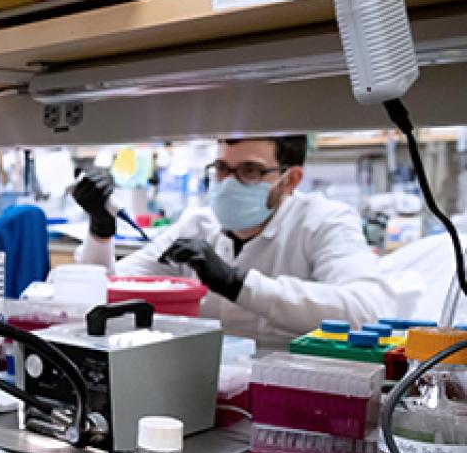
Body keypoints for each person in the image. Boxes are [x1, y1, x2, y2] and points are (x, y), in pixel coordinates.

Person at [73, 136, 396, 343]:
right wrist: (101, 230)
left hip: (293, 394)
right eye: (222, 169)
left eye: (250, 171)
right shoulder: (199, 223)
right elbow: (101, 293)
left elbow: (367, 311)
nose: (229, 184)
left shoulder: (323, 222)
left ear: (291, 179)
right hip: (208, 384)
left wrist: (237, 283)